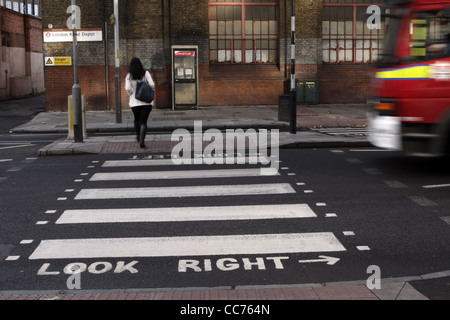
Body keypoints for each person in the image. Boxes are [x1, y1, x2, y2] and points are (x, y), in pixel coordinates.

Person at [125, 57, 155, 148]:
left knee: (136, 119)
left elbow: (127, 88)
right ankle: (142, 141)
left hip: (134, 102)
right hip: (146, 102)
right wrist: (146, 87)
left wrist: (131, 94)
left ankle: (138, 136)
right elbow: (152, 84)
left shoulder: (129, 75)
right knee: (143, 122)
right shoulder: (145, 73)